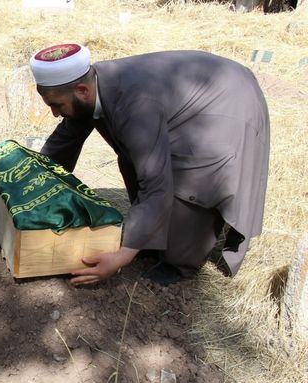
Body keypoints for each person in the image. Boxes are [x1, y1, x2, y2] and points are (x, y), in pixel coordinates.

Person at [29, 44, 270, 286]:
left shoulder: (134, 104)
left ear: (82, 90)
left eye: (57, 105)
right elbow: (64, 142)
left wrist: (122, 256)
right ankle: (149, 237)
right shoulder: (91, 89)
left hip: (225, 107)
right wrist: (32, 185)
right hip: (196, 94)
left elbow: (156, 185)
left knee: (192, 186)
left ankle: (179, 265)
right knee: (131, 158)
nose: (55, 114)